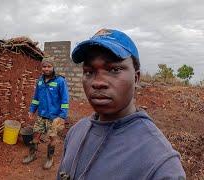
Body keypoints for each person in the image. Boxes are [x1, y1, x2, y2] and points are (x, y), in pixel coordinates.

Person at [57, 29, 186, 180]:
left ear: (136, 78)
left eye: (114, 69)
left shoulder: (160, 164)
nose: (98, 82)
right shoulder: (76, 132)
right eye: (89, 71)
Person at [23, 57, 69, 170]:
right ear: (42, 67)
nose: (46, 68)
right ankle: (32, 155)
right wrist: (32, 110)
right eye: (44, 66)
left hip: (54, 117)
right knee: (36, 136)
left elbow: (65, 100)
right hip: (41, 115)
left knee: (52, 138)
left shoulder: (60, 81)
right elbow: (36, 98)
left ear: (53, 67)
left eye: (49, 66)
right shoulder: (40, 81)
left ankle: (50, 159)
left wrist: (62, 116)